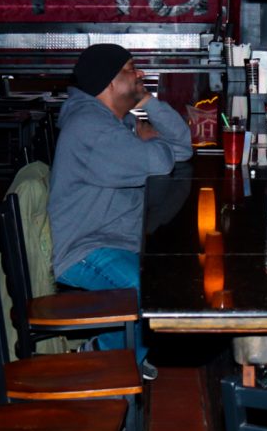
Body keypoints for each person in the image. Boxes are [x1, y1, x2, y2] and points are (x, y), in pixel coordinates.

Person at [49, 43, 193, 378]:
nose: (140, 73)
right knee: (154, 297)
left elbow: (182, 147)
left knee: (168, 282)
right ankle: (101, 356)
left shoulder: (112, 120)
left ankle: (119, 352)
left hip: (113, 238)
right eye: (131, 69)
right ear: (109, 82)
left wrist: (146, 102)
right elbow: (161, 159)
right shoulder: (91, 128)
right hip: (85, 249)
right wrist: (152, 144)